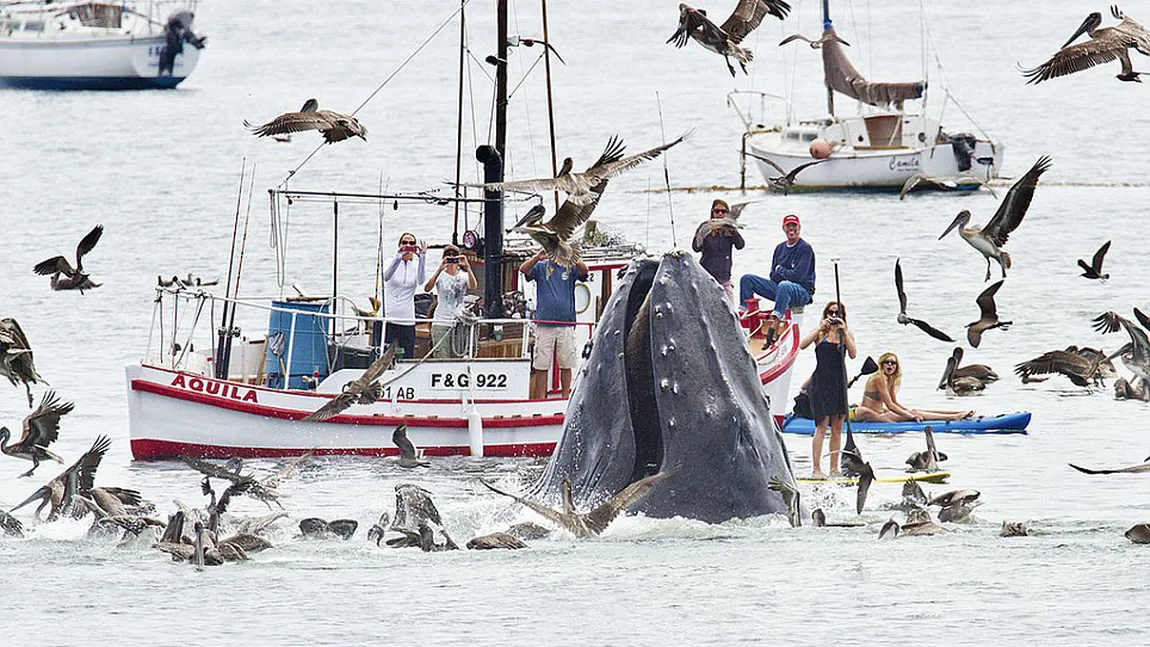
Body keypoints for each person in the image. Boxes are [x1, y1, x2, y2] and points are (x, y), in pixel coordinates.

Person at [520, 249, 589, 400]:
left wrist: (572, 257)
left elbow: (584, 271)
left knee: (566, 362)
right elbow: (523, 269)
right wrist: (537, 257)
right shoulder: (540, 266)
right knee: (541, 364)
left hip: (565, 323)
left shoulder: (570, 267)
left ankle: (565, 397)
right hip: (544, 322)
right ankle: (541, 398)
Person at [799, 301, 857, 480]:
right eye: (830, 312)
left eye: (837, 313)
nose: (833, 316)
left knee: (837, 426)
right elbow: (802, 345)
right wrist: (819, 328)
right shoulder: (820, 333)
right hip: (821, 382)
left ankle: (834, 468)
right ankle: (816, 468)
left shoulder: (845, 334)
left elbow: (853, 354)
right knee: (821, 426)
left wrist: (844, 332)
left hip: (839, 382)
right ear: (825, 314)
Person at [739, 213, 815, 339]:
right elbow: (773, 276)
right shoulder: (779, 248)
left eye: (794, 226)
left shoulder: (805, 248)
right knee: (747, 279)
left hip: (802, 291)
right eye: (788, 226)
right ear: (783, 228)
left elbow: (798, 276)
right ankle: (745, 316)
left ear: (799, 228)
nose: (792, 229)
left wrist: (781, 270)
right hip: (781, 288)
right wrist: (785, 272)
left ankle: (776, 321)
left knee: (784, 285)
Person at [855, 352, 974, 422]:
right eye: (887, 362)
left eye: (893, 363)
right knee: (914, 412)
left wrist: (907, 412)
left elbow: (894, 402)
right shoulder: (879, 378)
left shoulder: (889, 378)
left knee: (914, 410)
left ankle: (957, 413)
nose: (890, 365)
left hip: (881, 412)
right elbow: (890, 406)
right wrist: (911, 416)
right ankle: (954, 417)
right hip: (872, 417)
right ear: (881, 365)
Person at [424, 244, 477, 358]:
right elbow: (427, 288)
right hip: (441, 322)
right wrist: (440, 268)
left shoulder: (463, 276)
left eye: (454, 255)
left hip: (458, 322)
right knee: (442, 356)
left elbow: (473, 286)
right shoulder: (440, 275)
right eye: (448, 255)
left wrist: (467, 267)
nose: (451, 257)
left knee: (458, 356)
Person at [382, 232, 427, 359]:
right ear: (399, 245)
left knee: (407, 356)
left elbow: (421, 281)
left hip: (407, 318)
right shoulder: (390, 261)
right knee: (383, 355)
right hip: (388, 316)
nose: (408, 246)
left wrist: (422, 257)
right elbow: (386, 276)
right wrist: (398, 257)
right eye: (405, 243)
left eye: (412, 243)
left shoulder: (415, 265)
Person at [692, 199, 745, 303]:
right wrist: (702, 233)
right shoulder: (706, 226)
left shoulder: (729, 229)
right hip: (707, 277)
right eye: (717, 211)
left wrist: (733, 231)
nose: (720, 214)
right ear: (712, 213)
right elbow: (696, 248)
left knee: (729, 308)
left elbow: (740, 245)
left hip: (724, 278)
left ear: (727, 213)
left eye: (723, 211)